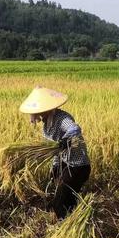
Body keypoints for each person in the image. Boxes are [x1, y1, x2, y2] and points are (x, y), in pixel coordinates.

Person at [19, 86, 91, 218]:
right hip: (65, 164)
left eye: (41, 111)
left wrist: (65, 140)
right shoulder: (47, 125)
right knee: (68, 199)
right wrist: (55, 166)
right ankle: (74, 218)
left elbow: (75, 129)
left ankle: (66, 225)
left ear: (47, 109)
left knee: (59, 202)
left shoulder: (62, 118)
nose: (39, 115)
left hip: (77, 165)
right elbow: (55, 150)